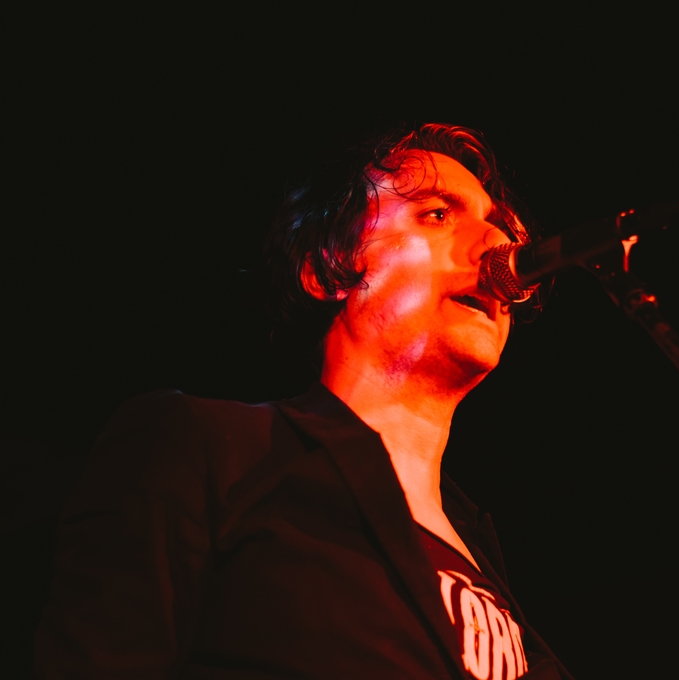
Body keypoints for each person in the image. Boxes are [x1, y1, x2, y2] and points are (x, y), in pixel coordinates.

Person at [33, 123, 573, 679]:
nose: (496, 246)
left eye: (498, 227)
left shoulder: (485, 558)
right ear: (326, 269)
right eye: (436, 214)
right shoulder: (204, 449)